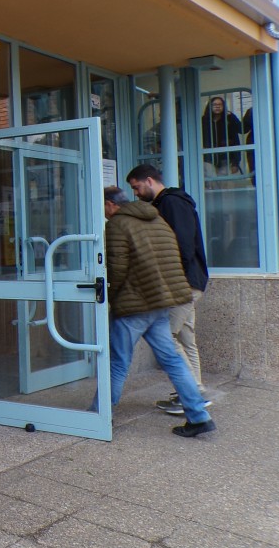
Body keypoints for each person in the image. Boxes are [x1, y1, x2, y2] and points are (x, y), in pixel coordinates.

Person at [101, 187, 215, 437]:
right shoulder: (157, 219)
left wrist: (108, 295)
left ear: (110, 205)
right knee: (173, 359)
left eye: (103, 206)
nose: (103, 212)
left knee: (118, 362)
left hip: (135, 305)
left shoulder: (117, 225)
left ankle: (99, 416)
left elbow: (116, 268)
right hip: (162, 302)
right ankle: (198, 416)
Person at [125, 164, 212, 413]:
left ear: (150, 181)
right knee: (185, 338)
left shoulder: (172, 203)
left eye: (137, 187)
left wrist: (171, 280)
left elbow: (182, 245)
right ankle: (195, 391)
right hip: (188, 282)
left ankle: (192, 395)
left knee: (167, 338)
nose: (136, 193)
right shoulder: (168, 203)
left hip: (182, 284)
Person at [201, 96, 243, 177]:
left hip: (226, 158)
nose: (217, 106)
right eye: (214, 104)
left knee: (225, 185)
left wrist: (235, 163)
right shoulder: (204, 121)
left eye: (220, 104)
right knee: (212, 184)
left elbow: (240, 131)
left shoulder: (229, 119)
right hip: (208, 158)